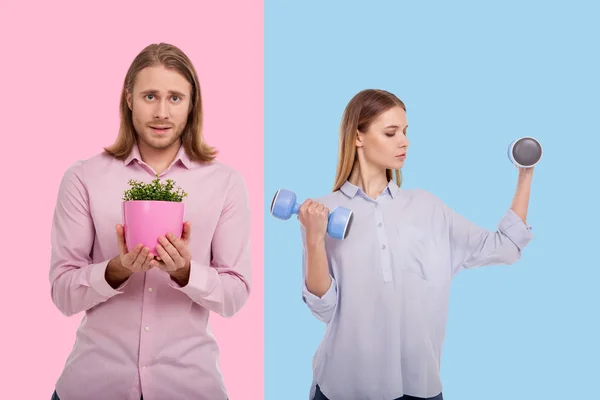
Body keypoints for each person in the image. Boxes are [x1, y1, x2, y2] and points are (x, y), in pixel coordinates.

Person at [298, 89, 534, 400]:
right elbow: (324, 309)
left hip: (418, 386)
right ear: (358, 137)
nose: (404, 141)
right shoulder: (322, 212)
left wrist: (525, 174)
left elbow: (505, 247)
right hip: (343, 387)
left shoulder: (428, 207)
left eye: (406, 132)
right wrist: (314, 240)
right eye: (391, 132)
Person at [48, 43, 251, 400]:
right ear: (129, 99)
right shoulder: (85, 177)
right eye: (150, 96)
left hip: (189, 385)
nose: (161, 112)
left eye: (175, 98)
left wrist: (186, 273)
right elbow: (63, 292)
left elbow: (235, 295)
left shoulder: (225, 184)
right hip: (93, 385)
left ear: (192, 104)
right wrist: (115, 270)